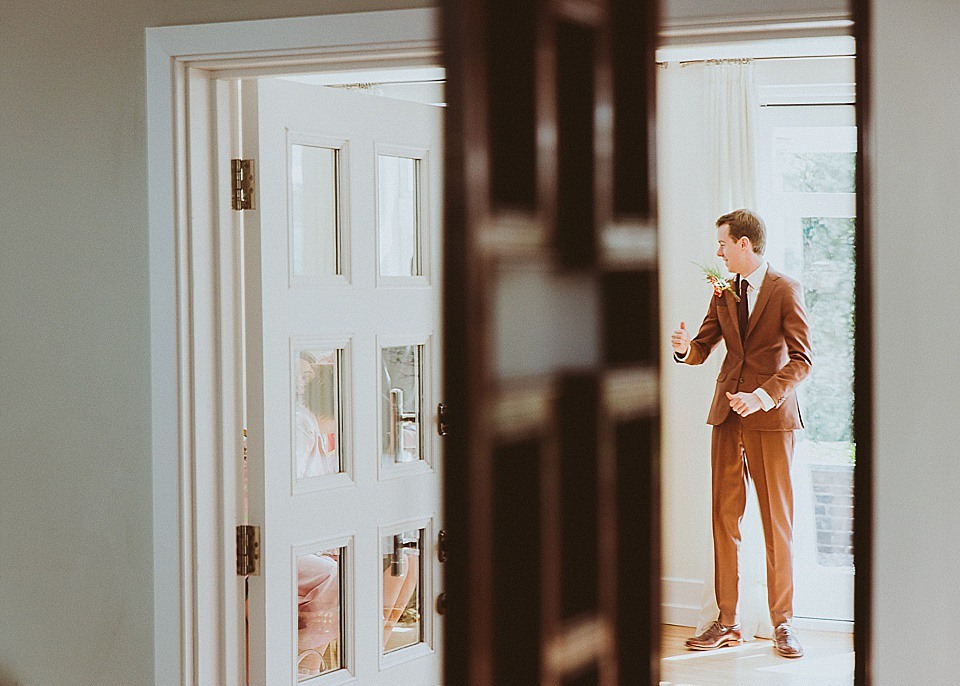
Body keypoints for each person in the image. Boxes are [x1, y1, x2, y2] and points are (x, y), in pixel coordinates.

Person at [672, 209, 812, 658]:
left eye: (722, 243)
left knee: (777, 524)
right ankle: (727, 622)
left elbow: (802, 359)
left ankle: (783, 624)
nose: (718, 251)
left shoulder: (785, 289)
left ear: (744, 244)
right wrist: (683, 349)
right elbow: (704, 346)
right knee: (724, 520)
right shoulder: (723, 291)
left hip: (771, 419)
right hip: (727, 417)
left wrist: (762, 396)